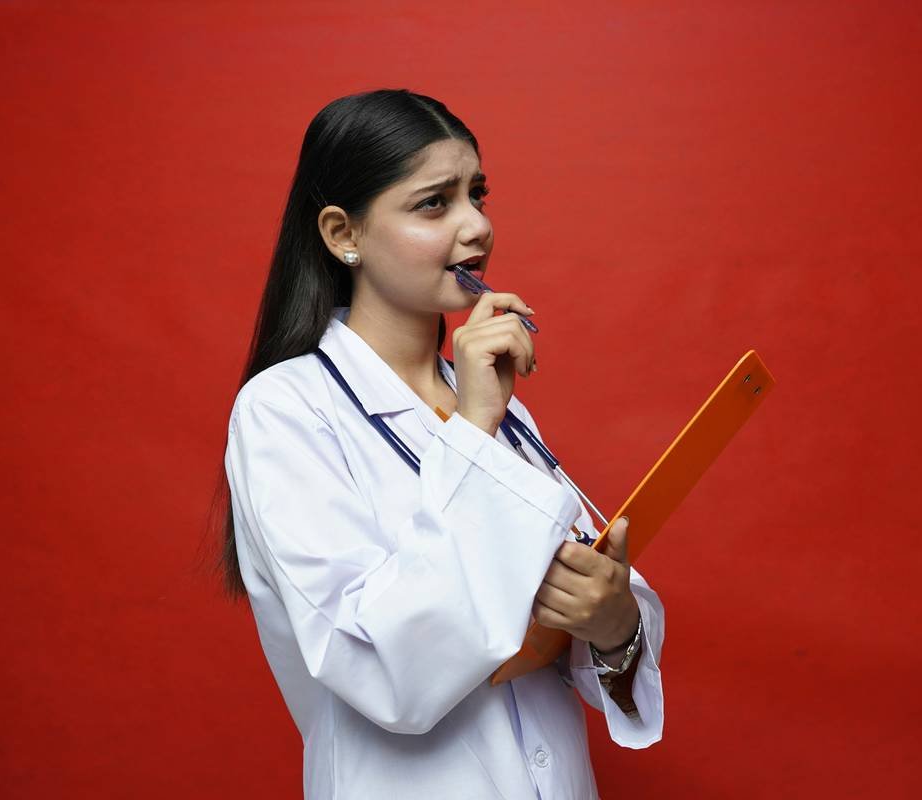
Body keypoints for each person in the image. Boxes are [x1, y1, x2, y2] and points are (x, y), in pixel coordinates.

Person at [217, 88, 665, 800]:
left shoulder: (492, 403)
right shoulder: (285, 411)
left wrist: (615, 626)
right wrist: (475, 430)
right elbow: (385, 670)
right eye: (435, 203)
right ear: (343, 235)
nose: (477, 227)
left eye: (477, 195)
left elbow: (563, 616)